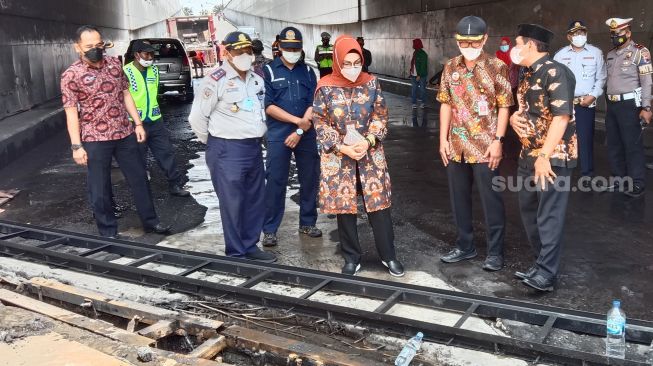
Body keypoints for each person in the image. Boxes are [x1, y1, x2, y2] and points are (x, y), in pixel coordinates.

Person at [61, 25, 170, 238]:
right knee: (99, 187)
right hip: (94, 138)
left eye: (98, 44)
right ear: (78, 47)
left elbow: (126, 94)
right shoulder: (70, 75)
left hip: (124, 132)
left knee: (139, 178)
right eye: (89, 46)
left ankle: (151, 222)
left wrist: (137, 124)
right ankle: (108, 232)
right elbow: (71, 112)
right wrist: (76, 146)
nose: (96, 49)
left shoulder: (114, 64)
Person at [313, 35, 404, 277]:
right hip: (340, 155)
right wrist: (342, 147)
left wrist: (369, 140)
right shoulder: (325, 86)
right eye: (347, 63)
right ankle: (351, 257)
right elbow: (320, 122)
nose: (352, 69)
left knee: (379, 206)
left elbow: (381, 116)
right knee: (345, 208)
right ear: (337, 61)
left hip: (369, 154)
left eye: (356, 63)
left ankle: (389, 256)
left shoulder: (372, 83)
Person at [188, 31, 276, 263]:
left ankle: (250, 245)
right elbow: (197, 118)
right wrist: (215, 143)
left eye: (248, 51)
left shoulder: (256, 80)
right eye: (239, 51)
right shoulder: (215, 80)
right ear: (227, 53)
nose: (245, 55)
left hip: (253, 148)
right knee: (233, 203)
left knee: (255, 199)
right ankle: (236, 253)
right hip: (226, 149)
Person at [437, 16, 513, 271]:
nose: (469, 46)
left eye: (474, 41)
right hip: (456, 144)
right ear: (457, 40)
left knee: (491, 200)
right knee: (459, 199)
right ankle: (465, 246)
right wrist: (442, 140)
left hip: (485, 147)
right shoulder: (450, 67)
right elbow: (446, 103)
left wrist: (499, 141)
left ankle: (495, 252)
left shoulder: (496, 67)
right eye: (464, 42)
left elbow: (504, 107)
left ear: (485, 39)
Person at [509, 24, 577, 292]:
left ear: (530, 45)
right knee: (529, 212)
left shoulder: (556, 72)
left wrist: (545, 156)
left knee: (549, 215)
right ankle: (540, 264)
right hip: (528, 154)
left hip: (552, 157)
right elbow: (525, 110)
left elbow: (561, 118)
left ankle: (547, 274)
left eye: (517, 43)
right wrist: (514, 118)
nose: (514, 48)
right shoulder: (527, 75)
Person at [261, 27, 322, 247]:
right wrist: (297, 123)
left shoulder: (307, 71)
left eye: (296, 48)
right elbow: (268, 106)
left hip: (305, 134)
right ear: (279, 48)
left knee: (309, 178)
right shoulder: (267, 70)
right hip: (279, 134)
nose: (292, 52)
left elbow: (314, 103)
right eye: (288, 48)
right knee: (276, 181)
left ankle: (307, 222)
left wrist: (301, 129)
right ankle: (269, 230)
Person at [123, 40, 190, 198]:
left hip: (155, 119)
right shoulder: (125, 71)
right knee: (138, 157)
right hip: (134, 123)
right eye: (147, 54)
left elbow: (154, 92)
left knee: (165, 153)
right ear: (136, 55)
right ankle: (141, 190)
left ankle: (175, 184)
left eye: (152, 54)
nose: (150, 57)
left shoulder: (154, 70)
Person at [554, 21, 606, 185]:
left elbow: (601, 77)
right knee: (562, 138)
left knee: (585, 139)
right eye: (575, 34)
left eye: (582, 33)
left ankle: (587, 174)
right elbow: (554, 78)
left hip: (585, 103)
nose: (579, 36)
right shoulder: (560, 55)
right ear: (569, 36)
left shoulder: (596, 53)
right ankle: (562, 172)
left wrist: (594, 95)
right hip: (565, 104)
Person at [604, 17, 652, 197]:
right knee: (614, 144)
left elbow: (647, 82)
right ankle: (619, 180)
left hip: (630, 105)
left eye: (618, 34)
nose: (615, 37)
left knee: (632, 144)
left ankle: (637, 182)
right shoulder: (610, 54)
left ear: (628, 33)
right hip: (612, 104)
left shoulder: (640, 52)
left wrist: (646, 107)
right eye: (613, 34)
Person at [410, 38, 428, 109]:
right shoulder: (415, 52)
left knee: (422, 89)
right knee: (414, 89)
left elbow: (423, 65)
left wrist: (419, 75)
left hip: (421, 75)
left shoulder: (423, 54)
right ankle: (414, 103)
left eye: (414, 43)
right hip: (414, 75)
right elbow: (413, 64)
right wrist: (411, 72)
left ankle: (423, 103)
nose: (413, 45)